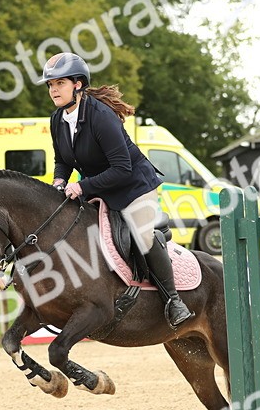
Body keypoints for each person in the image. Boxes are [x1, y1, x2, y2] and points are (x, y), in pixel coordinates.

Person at [39, 52, 194, 328]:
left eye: (59, 83)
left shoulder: (101, 116)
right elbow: (62, 160)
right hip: (98, 187)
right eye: (50, 85)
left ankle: (173, 301)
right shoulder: (57, 119)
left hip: (133, 186)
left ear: (78, 85)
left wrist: (81, 185)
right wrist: (59, 182)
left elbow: (122, 169)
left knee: (142, 235)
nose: (53, 90)